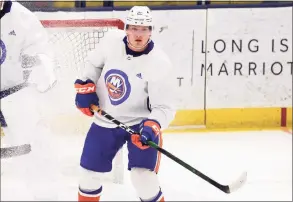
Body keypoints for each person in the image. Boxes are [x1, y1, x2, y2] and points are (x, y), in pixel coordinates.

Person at [75, 5, 176, 202]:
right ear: (126, 28)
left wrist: (151, 127)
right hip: (105, 120)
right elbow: (93, 64)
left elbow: (164, 107)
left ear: (151, 31)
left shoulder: (159, 63)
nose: (139, 34)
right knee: (88, 176)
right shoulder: (110, 41)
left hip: (140, 125)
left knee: (143, 179)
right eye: (134, 28)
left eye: (144, 29)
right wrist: (86, 87)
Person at [0, 0, 57, 149]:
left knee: (33, 145)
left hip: (14, 93)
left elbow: (43, 51)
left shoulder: (23, 18)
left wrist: (38, 62)